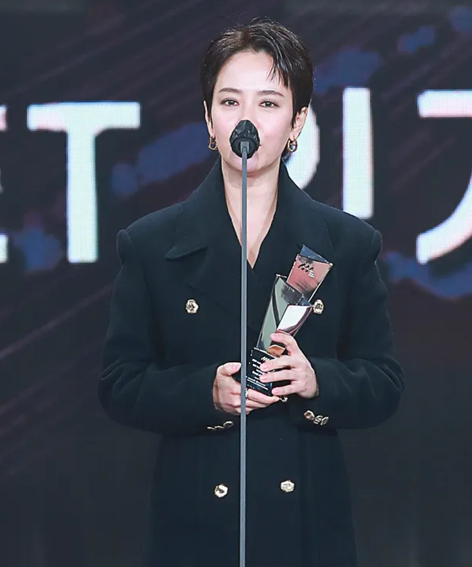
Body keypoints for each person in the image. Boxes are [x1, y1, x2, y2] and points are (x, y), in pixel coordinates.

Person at [98, 17, 405, 567]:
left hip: (305, 521)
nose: (247, 120)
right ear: (208, 119)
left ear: (297, 121)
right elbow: (120, 384)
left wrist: (317, 380)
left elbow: (383, 382)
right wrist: (205, 393)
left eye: (268, 103)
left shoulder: (344, 244)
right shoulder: (151, 244)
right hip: (196, 518)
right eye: (230, 101)